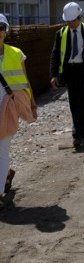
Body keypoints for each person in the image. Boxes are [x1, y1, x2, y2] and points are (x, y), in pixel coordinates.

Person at [49, 2, 84, 149]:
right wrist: (54, 74)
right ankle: (77, 132)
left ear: (79, 17)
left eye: (72, 21)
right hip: (70, 73)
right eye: (67, 21)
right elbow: (55, 55)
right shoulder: (61, 34)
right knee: (74, 103)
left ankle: (82, 130)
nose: (70, 24)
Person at [0, 14, 38, 210]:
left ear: (6, 31)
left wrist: (32, 103)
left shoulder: (16, 53)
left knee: (3, 148)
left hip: (8, 106)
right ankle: (5, 175)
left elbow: (25, 80)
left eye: (0, 27)